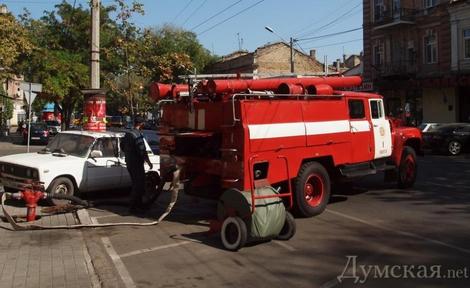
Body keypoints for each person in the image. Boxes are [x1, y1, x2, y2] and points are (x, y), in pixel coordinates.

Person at [120, 116, 153, 214]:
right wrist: (148, 161)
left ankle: (139, 205)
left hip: (129, 162)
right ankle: (133, 207)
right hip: (136, 164)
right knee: (138, 185)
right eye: (143, 123)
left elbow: (122, 146)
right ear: (141, 124)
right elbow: (142, 150)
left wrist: (128, 154)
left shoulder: (128, 134)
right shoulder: (137, 135)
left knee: (137, 184)